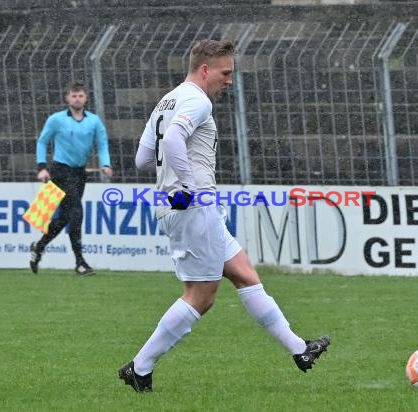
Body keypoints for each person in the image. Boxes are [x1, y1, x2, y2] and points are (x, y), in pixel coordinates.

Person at [118, 39, 330, 393]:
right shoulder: (197, 100)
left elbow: (143, 159)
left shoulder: (166, 100)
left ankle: (299, 349)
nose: (229, 80)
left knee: (244, 273)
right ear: (205, 70)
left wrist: (176, 181)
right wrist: (187, 185)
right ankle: (140, 367)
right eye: (225, 72)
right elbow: (171, 141)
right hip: (191, 206)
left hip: (185, 206)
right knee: (201, 295)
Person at [29, 80, 113, 276]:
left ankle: (39, 247)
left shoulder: (93, 121)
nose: (77, 98)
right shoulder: (57, 119)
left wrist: (106, 164)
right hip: (60, 171)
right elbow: (42, 141)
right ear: (67, 98)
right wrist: (41, 167)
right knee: (76, 211)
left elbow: (102, 145)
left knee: (64, 218)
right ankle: (80, 262)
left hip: (78, 172)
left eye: (80, 95)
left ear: (86, 98)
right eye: (73, 95)